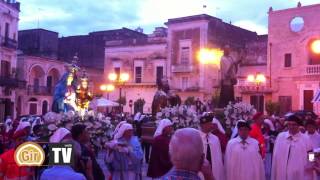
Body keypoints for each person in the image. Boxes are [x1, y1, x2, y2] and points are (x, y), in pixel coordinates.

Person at [271, 115, 313, 180]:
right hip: (282, 171)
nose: (291, 127)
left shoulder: (306, 139)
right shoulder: (281, 137)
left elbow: (311, 155)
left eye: (294, 124)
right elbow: (275, 155)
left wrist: (310, 166)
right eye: (289, 124)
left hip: (299, 173)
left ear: (299, 125)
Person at [199, 113, 224, 180]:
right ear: (202, 125)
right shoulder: (197, 138)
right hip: (201, 172)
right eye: (208, 124)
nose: (211, 126)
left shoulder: (215, 139)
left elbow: (218, 158)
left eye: (211, 123)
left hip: (214, 171)